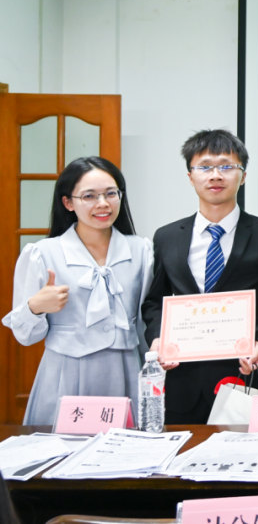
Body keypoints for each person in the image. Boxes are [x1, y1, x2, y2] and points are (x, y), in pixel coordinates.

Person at [141, 129, 258, 424]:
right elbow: (154, 301)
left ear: (243, 176)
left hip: (243, 374)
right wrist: (157, 338)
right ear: (190, 176)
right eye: (205, 167)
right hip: (181, 377)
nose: (215, 175)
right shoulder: (167, 236)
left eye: (226, 166)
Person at [3, 157, 152, 425]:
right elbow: (25, 336)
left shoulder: (142, 250)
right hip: (64, 375)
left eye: (111, 193)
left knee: (126, 447)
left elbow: (145, 323)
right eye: (89, 196)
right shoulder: (42, 254)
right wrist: (35, 307)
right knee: (63, 446)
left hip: (126, 371)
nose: (103, 203)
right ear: (68, 203)